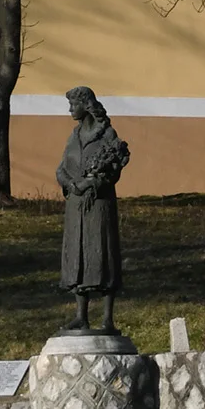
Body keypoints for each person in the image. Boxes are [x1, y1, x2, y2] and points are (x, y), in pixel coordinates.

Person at [56, 85, 129, 332]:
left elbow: (114, 168)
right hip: (75, 206)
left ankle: (107, 319)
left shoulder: (107, 134)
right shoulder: (73, 136)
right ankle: (81, 316)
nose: (70, 110)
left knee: (101, 254)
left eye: (72, 105)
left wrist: (92, 183)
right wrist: (71, 184)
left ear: (85, 105)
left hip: (98, 205)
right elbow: (61, 167)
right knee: (77, 255)